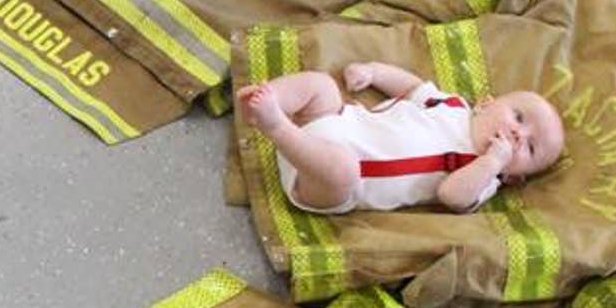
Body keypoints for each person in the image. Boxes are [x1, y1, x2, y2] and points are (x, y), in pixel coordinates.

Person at [235, 61, 565, 214]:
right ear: (486, 103)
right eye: (518, 117)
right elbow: (411, 87)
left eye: (530, 147)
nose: (517, 134)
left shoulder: (483, 177)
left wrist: (493, 162)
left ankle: (276, 127)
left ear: (514, 177)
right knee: (321, 85)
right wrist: (375, 72)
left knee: (343, 168)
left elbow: (451, 195)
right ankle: (263, 102)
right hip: (332, 122)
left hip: (329, 181)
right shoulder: (451, 105)